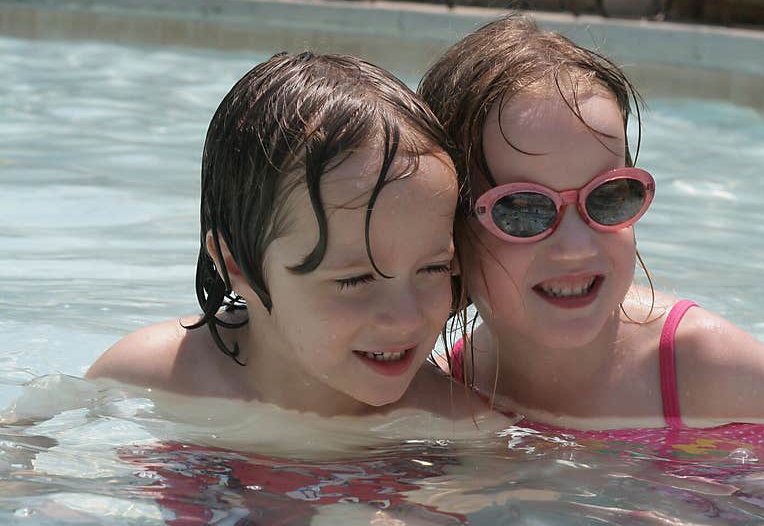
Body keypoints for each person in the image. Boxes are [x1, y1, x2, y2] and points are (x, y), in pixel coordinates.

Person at [418, 14, 764, 441]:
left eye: (607, 197)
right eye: (524, 209)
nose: (575, 245)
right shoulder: (453, 382)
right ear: (448, 235)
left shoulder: (696, 362)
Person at [87, 51, 505, 432]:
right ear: (238, 267)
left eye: (432, 269)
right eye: (356, 279)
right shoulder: (151, 376)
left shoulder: (453, 427)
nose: (406, 318)